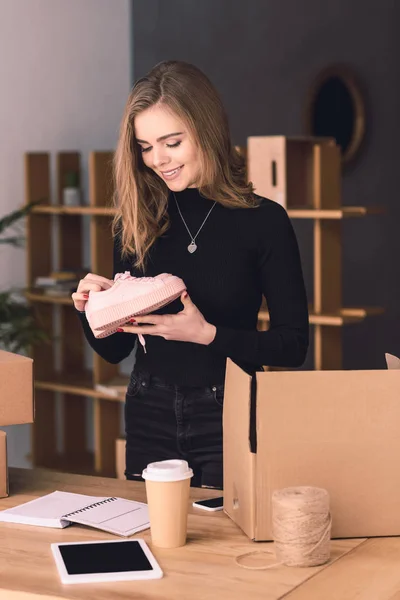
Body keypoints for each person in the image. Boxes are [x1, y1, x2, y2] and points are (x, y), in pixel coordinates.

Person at [72, 60, 309, 490]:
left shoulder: (264, 222)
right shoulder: (137, 220)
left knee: (221, 549)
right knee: (152, 540)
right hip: (148, 408)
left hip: (228, 410)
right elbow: (115, 352)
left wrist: (207, 335)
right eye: (145, 147)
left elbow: (294, 346)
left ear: (207, 130)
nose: (157, 160)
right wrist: (90, 308)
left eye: (172, 142)